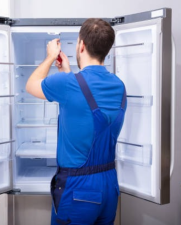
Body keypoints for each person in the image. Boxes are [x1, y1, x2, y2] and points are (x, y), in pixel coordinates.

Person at [26, 18, 126, 225]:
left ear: (81, 45)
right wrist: (66, 71)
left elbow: (31, 85)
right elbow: (83, 106)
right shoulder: (119, 85)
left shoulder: (68, 84)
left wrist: (50, 57)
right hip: (109, 185)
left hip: (78, 188)